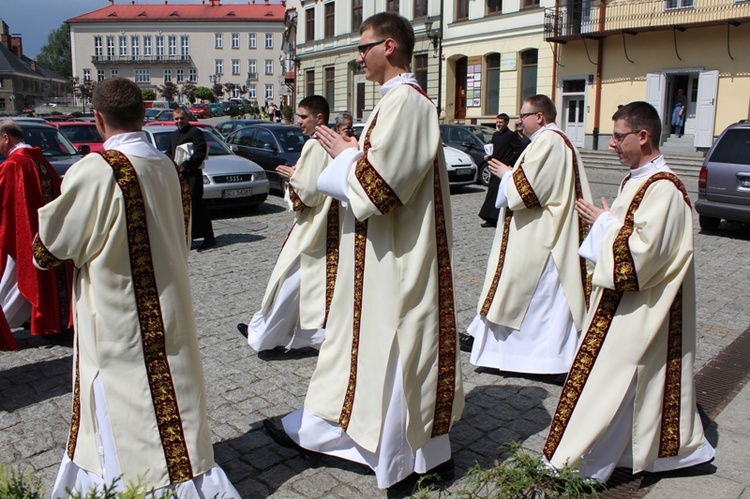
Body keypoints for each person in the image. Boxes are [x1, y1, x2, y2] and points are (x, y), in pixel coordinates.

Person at [263, 12, 464, 489]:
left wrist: (347, 156)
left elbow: (380, 189)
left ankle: (405, 457)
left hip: (397, 259)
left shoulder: (408, 104)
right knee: (366, 346)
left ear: (389, 46)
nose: (358, 57)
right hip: (378, 254)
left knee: (393, 346)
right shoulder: (392, 103)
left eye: (363, 47)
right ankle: (350, 436)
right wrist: (353, 153)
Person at [34, 78, 239, 498]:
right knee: (171, 391)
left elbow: (51, 248)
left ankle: (138, 485)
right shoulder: (166, 166)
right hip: (170, 301)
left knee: (122, 403)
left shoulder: (97, 169)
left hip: (118, 310)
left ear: (96, 119)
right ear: (145, 114)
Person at [544, 101, 715, 481]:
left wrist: (604, 224)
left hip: (643, 306)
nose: (612, 144)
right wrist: (606, 226)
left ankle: (585, 464)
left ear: (644, 136)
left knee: (614, 380)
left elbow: (644, 254)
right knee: (618, 382)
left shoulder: (667, 189)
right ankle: (618, 453)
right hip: (620, 300)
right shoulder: (635, 179)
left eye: (619, 137)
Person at [461, 95, 593, 376]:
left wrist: (507, 174)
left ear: (540, 117)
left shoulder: (550, 142)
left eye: (524, 115)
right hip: (537, 233)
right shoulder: (548, 141)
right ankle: (500, 351)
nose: (519, 121)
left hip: (543, 238)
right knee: (522, 297)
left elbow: (528, 192)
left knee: (532, 300)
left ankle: (546, 363)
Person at [237, 95, 337, 352]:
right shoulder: (332, 143)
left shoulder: (316, 145)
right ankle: (267, 331)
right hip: (326, 224)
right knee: (304, 285)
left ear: (319, 118)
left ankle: (265, 337)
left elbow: (310, 194)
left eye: (303, 117)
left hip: (312, 227)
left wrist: (294, 178)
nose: (299, 122)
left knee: (288, 283)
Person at [0, 121, 71, 351]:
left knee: (11, 282)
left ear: (5, 138)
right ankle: (49, 321)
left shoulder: (13, 164)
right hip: (45, 235)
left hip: (22, 234)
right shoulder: (40, 160)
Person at [169, 107, 216, 251]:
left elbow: (200, 153)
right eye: (176, 119)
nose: (179, 121)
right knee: (183, 207)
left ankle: (208, 237)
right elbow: (170, 152)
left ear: (187, 118)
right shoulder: (174, 135)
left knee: (196, 205)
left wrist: (185, 167)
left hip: (192, 175)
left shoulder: (195, 133)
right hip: (179, 176)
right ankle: (188, 237)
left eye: (181, 118)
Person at [478, 113, 527, 228]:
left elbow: (520, 149)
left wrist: (508, 161)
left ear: (506, 123)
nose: (498, 125)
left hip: (503, 168)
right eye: (497, 122)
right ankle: (489, 217)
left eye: (500, 122)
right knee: (491, 192)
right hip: (495, 167)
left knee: (498, 193)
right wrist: (489, 157)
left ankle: (496, 218)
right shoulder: (495, 135)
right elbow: (494, 149)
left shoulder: (511, 135)